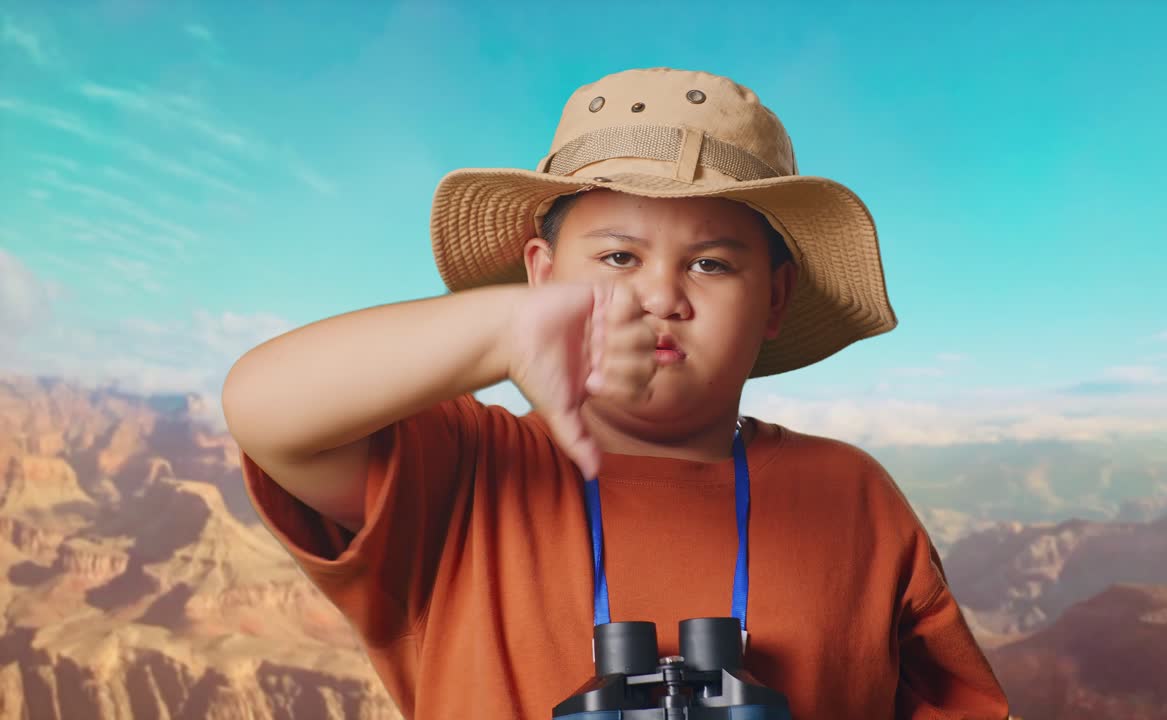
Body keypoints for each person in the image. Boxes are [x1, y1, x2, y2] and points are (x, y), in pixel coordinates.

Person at [222, 67, 1010, 719]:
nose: (660, 297)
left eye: (711, 264)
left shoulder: (854, 498)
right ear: (541, 275)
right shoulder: (463, 469)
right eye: (619, 258)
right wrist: (505, 334)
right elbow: (266, 410)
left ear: (775, 299)